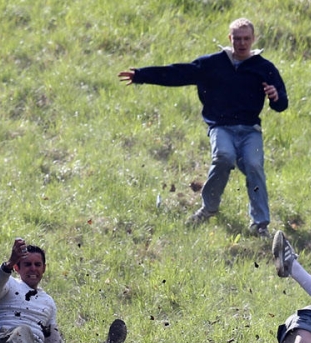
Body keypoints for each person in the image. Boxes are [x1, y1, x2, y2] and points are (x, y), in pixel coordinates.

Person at [119, 18, 289, 237]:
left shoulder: (264, 68)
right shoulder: (213, 64)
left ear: (253, 39)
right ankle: (209, 208)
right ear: (230, 39)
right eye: (237, 38)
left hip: (250, 130)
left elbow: (282, 104)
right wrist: (141, 75)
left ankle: (260, 224)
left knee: (254, 166)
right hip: (221, 127)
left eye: (246, 38)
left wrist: (276, 97)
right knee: (224, 156)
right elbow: (178, 73)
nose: (242, 43)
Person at [0, 238, 128, 343]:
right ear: (17, 268)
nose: (33, 268)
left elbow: (52, 340)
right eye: (27, 264)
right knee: (22, 331)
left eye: (37, 264)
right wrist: (9, 263)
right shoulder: (8, 283)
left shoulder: (47, 301)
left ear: (44, 268)